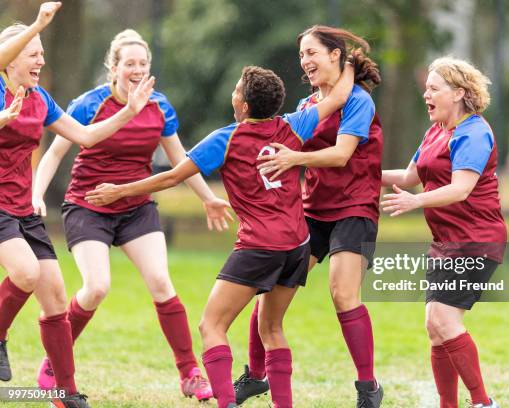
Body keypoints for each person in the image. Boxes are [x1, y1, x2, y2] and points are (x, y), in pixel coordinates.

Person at [84, 63, 355, 408]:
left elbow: (170, 177)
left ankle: (226, 403)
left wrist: (119, 191)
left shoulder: (226, 138)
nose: (233, 93)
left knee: (211, 326)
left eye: (237, 89)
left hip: (259, 246)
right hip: (298, 245)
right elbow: (342, 95)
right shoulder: (294, 125)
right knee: (271, 329)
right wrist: (348, 62)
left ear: (243, 105)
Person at [32, 29, 232, 402]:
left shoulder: (160, 106)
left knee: (161, 283)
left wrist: (208, 198)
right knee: (96, 288)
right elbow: (56, 153)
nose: (137, 70)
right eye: (129, 64)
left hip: (137, 208)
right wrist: (36, 193)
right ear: (114, 67)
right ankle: (53, 365)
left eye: (143, 63)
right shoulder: (89, 104)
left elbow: (180, 160)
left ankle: (189, 373)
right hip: (89, 206)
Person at [0, 6, 155, 408]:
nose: (41, 60)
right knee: (26, 272)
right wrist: (37, 24)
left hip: (21, 207)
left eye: (42, 53)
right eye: (33, 53)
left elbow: (85, 136)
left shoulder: (40, 99)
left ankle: (65, 393)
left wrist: (129, 111)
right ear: (12, 56)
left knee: (55, 298)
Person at [238, 25, 384, 408]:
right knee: (268, 294)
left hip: (355, 209)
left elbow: (341, 154)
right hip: (311, 211)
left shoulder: (359, 101)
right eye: (302, 54)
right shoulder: (307, 106)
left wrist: (294, 158)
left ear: (335, 54)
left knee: (342, 292)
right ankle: (255, 376)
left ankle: (368, 387)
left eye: (312, 52)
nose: (305, 61)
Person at [380, 56, 506, 408]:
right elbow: (408, 177)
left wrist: (414, 202)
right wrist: (358, 170)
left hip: (476, 240)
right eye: (426, 89)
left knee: (443, 320)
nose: (426, 95)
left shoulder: (475, 132)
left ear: (459, 94)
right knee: (435, 330)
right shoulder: (436, 130)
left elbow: (460, 189)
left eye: (434, 89)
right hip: (446, 243)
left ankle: (483, 402)